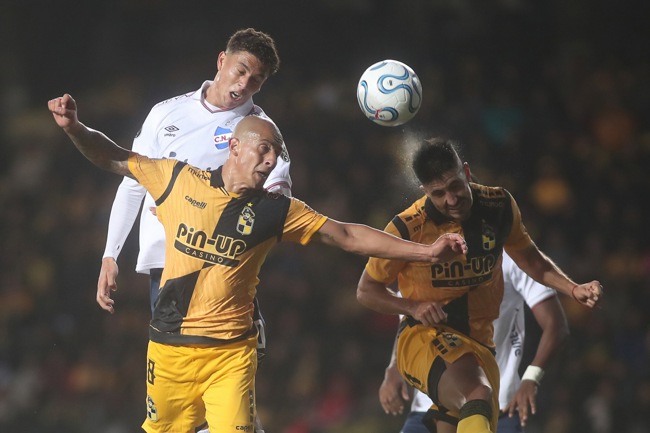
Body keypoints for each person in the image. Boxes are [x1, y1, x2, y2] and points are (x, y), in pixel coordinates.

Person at [48, 95, 469, 433]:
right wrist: (74, 128)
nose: (271, 160)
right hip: (169, 348)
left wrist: (427, 252)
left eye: (277, 154)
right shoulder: (177, 179)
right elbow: (115, 157)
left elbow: (346, 234)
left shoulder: (275, 210)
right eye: (264, 149)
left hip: (231, 355)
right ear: (234, 147)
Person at [96, 28, 287, 433]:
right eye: (241, 71)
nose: (244, 84)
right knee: (184, 396)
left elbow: (278, 200)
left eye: (256, 80)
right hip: (166, 266)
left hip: (222, 271)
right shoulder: (166, 113)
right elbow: (133, 180)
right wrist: (111, 254)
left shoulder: (260, 132)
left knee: (224, 391)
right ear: (221, 60)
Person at [356, 137, 602, 433]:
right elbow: (366, 290)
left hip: (479, 345)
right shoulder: (408, 227)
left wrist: (573, 289)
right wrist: (413, 308)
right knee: (477, 393)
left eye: (455, 186)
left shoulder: (498, 206)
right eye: (438, 193)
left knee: (472, 405)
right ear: (425, 191)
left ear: (466, 172)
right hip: (424, 335)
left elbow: (532, 261)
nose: (451, 199)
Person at [378, 252, 570, 433]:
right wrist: (394, 366)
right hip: (428, 405)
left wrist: (531, 378)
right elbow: (410, 318)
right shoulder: (428, 248)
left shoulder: (515, 256)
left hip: (497, 408)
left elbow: (556, 325)